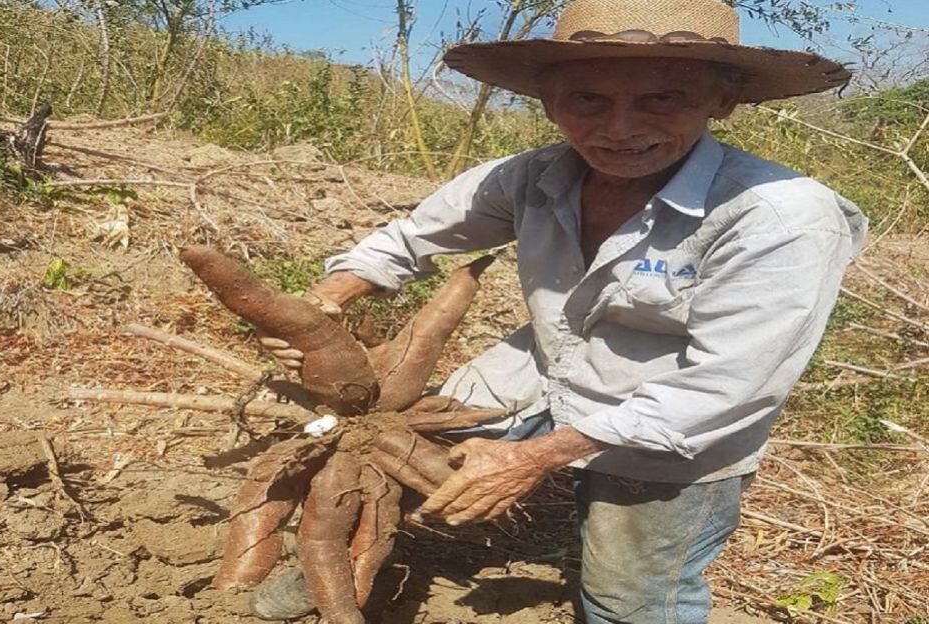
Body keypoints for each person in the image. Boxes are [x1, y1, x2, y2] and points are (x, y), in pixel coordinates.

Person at [261, 1, 867, 622]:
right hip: (544, 364)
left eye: (663, 99)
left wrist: (534, 457)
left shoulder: (780, 217)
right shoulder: (533, 176)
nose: (620, 128)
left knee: (629, 596)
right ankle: (342, 561)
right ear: (548, 101)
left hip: (676, 415)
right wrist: (325, 302)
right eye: (588, 101)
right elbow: (412, 238)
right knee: (385, 448)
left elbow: (726, 387)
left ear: (721, 101)